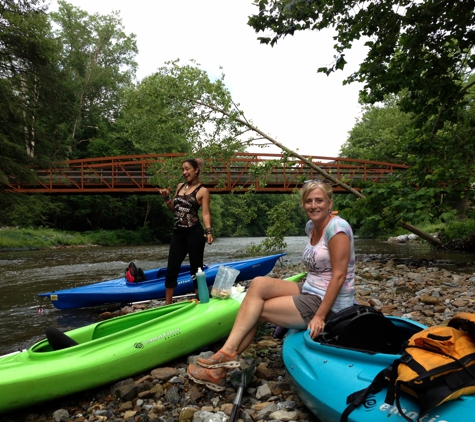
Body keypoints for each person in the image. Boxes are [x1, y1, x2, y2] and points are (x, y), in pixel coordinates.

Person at [187, 180, 355, 391]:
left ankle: (220, 367)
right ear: (303, 204)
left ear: (330, 202)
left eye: (319, 200)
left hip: (330, 304)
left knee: (257, 311)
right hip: (311, 289)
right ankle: (227, 354)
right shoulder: (311, 227)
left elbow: (339, 276)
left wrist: (320, 316)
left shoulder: (338, 228)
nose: (314, 205)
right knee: (258, 284)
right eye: (309, 201)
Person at [158, 158, 214, 304]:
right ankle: (167, 303)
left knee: (196, 269)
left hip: (194, 233)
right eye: (182, 169)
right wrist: (166, 198)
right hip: (178, 234)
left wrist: (209, 231)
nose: (184, 172)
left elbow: (206, 213)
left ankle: (201, 299)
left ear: (196, 170)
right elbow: (174, 210)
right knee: (172, 269)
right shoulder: (179, 187)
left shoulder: (203, 191)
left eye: (187, 169)